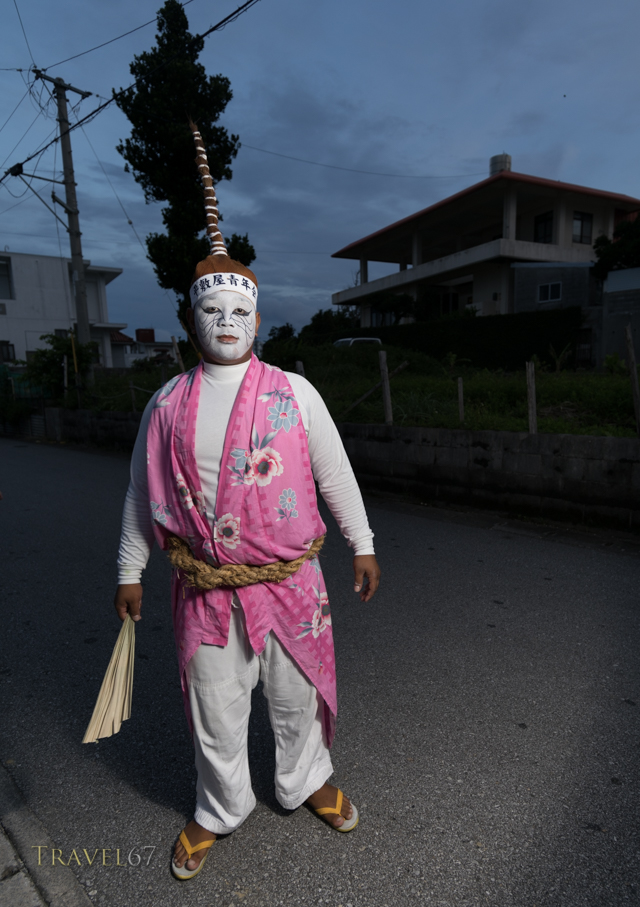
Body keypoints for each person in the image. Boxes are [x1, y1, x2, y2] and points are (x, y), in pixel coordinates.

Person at [114, 123, 380, 881]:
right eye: (212, 312)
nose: (226, 323)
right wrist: (130, 569)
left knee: (296, 696)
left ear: (257, 318)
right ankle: (218, 805)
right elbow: (141, 495)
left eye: (240, 312)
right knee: (215, 706)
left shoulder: (296, 394)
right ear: (190, 318)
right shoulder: (165, 404)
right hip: (205, 585)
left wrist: (360, 539)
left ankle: (306, 779)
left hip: (292, 580)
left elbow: (333, 470)